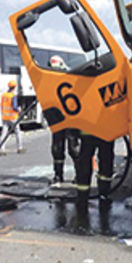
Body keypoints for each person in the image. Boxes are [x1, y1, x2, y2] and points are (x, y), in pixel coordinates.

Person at [47, 55, 80, 185]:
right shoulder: (49, 81)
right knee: (57, 148)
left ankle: (79, 175)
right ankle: (58, 175)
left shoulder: (70, 79)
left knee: (74, 148)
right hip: (57, 120)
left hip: (70, 119)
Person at [76, 133, 115, 207]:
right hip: (107, 130)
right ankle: (104, 195)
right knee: (106, 160)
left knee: (85, 160)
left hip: (88, 131)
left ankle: (82, 197)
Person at [0, 79, 24, 153]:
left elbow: (1, 105)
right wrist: (18, 110)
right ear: (14, 87)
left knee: (4, 133)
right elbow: (14, 106)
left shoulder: (3, 95)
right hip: (12, 117)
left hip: (4, 117)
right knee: (17, 132)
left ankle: (2, 149)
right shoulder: (13, 96)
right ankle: (19, 148)